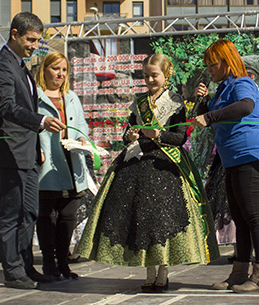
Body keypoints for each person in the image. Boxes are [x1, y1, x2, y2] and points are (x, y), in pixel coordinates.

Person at [77, 53, 219, 293]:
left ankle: (163, 272)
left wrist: (158, 135)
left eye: (154, 75)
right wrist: (130, 136)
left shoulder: (175, 102)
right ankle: (149, 272)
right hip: (137, 165)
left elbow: (180, 137)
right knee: (140, 219)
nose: (150, 79)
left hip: (165, 167)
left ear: (166, 75)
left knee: (162, 220)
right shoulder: (138, 101)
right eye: (146, 75)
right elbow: (127, 133)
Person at [0, 12, 65, 289]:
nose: (35, 45)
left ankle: (26, 266)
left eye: (38, 40)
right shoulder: (0, 66)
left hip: (27, 152)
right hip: (8, 151)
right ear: (14, 34)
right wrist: (41, 120)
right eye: (31, 40)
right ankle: (12, 271)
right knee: (11, 213)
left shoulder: (20, 65)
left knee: (30, 211)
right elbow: (6, 107)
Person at [193, 39, 259, 293]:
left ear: (226, 62)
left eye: (212, 64)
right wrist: (204, 102)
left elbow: (246, 106)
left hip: (248, 155)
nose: (209, 69)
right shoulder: (223, 89)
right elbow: (209, 116)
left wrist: (209, 116)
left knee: (254, 218)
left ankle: (257, 275)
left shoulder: (243, 83)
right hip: (231, 159)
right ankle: (238, 273)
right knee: (241, 220)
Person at [35, 52, 89, 280]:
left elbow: (82, 125)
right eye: (56, 68)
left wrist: (83, 139)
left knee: (68, 215)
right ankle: (49, 264)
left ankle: (63, 262)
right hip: (47, 165)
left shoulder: (72, 97)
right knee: (47, 217)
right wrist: (35, 149)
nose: (60, 74)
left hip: (72, 161)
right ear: (44, 69)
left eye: (64, 70)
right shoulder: (34, 97)